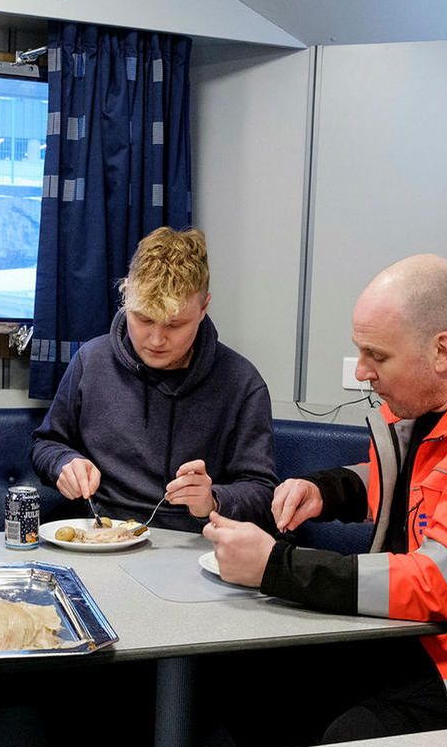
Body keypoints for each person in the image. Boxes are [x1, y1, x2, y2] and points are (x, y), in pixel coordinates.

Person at [204, 254, 447, 744]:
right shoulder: (422, 402)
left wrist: (277, 567)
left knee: (345, 737)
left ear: (442, 351)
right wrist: (326, 489)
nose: (362, 370)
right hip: (405, 640)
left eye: (377, 356)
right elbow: (407, 489)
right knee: (244, 681)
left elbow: (441, 586)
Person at [30, 226, 275, 531]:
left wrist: (212, 500)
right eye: (143, 318)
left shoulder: (242, 383)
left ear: (203, 308)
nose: (156, 339)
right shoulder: (90, 362)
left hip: (194, 545)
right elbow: (47, 443)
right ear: (126, 293)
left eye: (175, 324)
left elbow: (263, 493)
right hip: (101, 535)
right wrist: (62, 464)